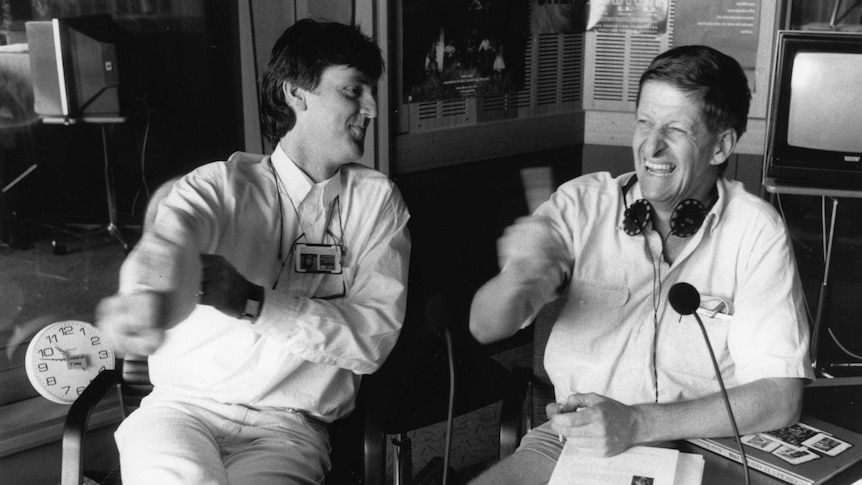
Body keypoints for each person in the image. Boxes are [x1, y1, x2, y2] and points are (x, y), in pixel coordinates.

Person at [468, 45, 812, 485]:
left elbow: (780, 398)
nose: (651, 145)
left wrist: (636, 422)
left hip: (703, 448)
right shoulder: (581, 205)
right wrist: (518, 277)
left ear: (721, 145)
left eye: (676, 129)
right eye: (644, 123)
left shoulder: (755, 231)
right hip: (571, 444)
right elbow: (484, 327)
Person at [95, 18, 411, 485]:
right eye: (353, 91)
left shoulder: (376, 201)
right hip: (182, 412)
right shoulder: (217, 187)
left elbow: (372, 341)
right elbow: (168, 249)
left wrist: (253, 301)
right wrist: (145, 303)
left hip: (288, 431)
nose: (372, 110)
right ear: (296, 94)